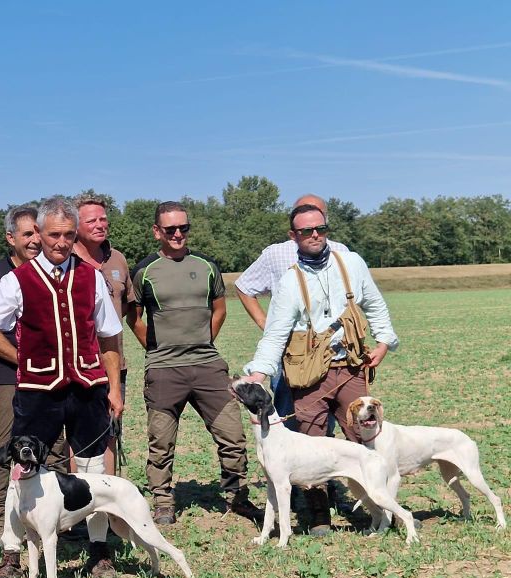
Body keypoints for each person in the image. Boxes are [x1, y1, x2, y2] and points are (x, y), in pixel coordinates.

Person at [0, 196, 124, 578]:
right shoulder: (16, 280)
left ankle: (100, 552)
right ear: (39, 233)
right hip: (38, 390)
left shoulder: (91, 277)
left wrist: (115, 387)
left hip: (87, 388)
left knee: (94, 473)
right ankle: (10, 557)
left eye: (69, 235)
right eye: (54, 234)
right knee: (21, 476)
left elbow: (110, 336)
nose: (61, 242)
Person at [239, 204, 399, 535]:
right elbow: (276, 334)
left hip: (352, 369)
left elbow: (376, 305)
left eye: (320, 229)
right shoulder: (288, 282)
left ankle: (381, 509)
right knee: (312, 442)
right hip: (308, 376)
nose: (315, 235)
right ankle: (319, 515)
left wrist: (383, 342)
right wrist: (259, 372)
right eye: (306, 231)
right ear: (293, 236)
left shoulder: (351, 263)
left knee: (365, 435)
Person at [126, 201, 261, 526]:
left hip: (208, 367)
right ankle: (162, 502)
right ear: (157, 231)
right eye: (170, 229)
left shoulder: (207, 266)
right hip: (163, 370)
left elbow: (219, 310)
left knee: (233, 437)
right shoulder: (145, 270)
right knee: (161, 442)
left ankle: (237, 496)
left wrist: (203, 342)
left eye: (183, 228)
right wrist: (156, 348)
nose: (177, 234)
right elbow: (134, 318)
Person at [235, 194, 349, 427]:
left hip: (333, 354)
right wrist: (266, 325)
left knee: (327, 422)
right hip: (291, 355)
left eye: (318, 218)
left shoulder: (341, 252)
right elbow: (244, 286)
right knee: (290, 418)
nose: (312, 228)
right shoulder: (276, 253)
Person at [0, 205, 42, 549]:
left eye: (37, 233)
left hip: (48, 379)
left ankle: (49, 514)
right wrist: (24, 361)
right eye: (27, 234)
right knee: (2, 446)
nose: (34, 240)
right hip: (7, 377)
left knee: (51, 445)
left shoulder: (50, 272)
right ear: (10, 238)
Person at [71, 196, 136, 473]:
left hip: (112, 365)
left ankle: (108, 505)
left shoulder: (118, 259)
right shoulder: (64, 260)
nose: (100, 225)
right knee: (74, 437)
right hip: (76, 366)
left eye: (103, 219)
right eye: (91, 220)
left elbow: (132, 310)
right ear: (75, 226)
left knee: (109, 432)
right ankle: (75, 508)